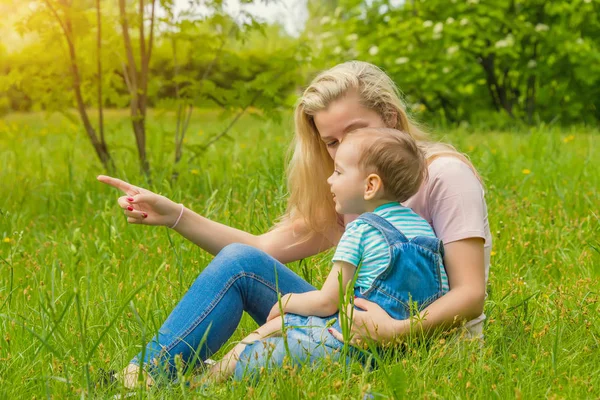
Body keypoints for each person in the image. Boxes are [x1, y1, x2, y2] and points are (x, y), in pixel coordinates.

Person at [98, 60, 491, 388]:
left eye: (353, 132)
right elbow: (259, 251)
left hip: (425, 345)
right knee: (240, 262)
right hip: (356, 327)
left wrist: (394, 332)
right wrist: (176, 216)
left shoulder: (445, 176)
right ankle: (144, 377)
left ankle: (189, 379)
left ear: (389, 117)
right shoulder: (356, 187)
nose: (341, 149)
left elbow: (471, 293)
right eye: (331, 142)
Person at [202, 127, 449, 383]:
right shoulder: (424, 231)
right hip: (407, 349)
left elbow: (327, 302)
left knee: (267, 343)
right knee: (282, 326)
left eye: (338, 172)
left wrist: (286, 301)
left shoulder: (361, 230)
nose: (330, 180)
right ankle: (216, 371)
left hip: (353, 345)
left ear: (371, 185)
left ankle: (208, 381)